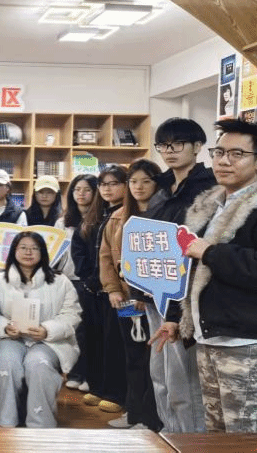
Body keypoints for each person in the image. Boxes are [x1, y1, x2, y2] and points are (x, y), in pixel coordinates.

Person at [155, 120, 257, 433]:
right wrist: (178, 319)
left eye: (237, 154)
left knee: (246, 437)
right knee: (218, 435)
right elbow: (194, 271)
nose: (223, 161)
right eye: (219, 152)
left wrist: (210, 252)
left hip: (249, 341)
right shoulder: (210, 204)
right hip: (210, 337)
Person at [144, 117, 215, 433]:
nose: (169, 151)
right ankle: (168, 432)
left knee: (184, 377)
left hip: (186, 294)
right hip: (154, 289)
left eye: (177, 144)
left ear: (197, 146)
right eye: (163, 145)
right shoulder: (160, 189)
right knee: (160, 373)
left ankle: (190, 440)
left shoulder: (210, 187)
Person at [0, 231, 81, 428]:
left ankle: (40, 424)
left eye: (34, 248)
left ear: (43, 252)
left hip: (48, 341)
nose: (28, 252)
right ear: (13, 251)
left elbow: (72, 314)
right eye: (23, 247)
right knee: (6, 363)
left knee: (39, 364)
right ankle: (6, 421)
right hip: (10, 339)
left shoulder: (60, 281)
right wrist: (5, 327)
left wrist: (47, 330)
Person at [99, 159, 163, 431]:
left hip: (157, 303)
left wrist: (146, 295)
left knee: (156, 361)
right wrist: (113, 289)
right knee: (132, 356)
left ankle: (154, 418)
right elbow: (105, 256)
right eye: (134, 181)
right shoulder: (118, 217)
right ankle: (135, 413)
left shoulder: (166, 213)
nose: (139, 187)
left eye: (146, 181)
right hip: (126, 300)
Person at [71, 165, 128, 414]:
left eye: (114, 183)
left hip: (120, 293)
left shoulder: (128, 215)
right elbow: (80, 251)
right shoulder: (97, 215)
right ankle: (98, 387)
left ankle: (117, 393)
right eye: (103, 184)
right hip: (92, 290)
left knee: (118, 342)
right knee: (94, 340)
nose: (107, 189)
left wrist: (101, 281)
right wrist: (88, 281)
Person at [55, 174, 98, 393]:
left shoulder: (99, 219)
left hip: (90, 280)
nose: (81, 194)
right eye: (76, 189)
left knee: (90, 329)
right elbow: (55, 252)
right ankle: (74, 373)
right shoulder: (63, 221)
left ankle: (90, 374)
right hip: (67, 279)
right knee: (73, 330)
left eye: (87, 189)